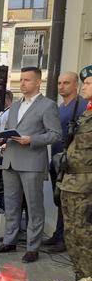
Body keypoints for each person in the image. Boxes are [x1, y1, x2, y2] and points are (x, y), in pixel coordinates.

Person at [0, 67, 61, 263]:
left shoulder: (48, 105)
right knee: (11, 204)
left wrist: (32, 139)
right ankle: (9, 240)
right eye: (21, 79)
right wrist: (1, 139)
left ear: (38, 82)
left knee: (34, 206)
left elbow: (56, 134)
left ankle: (32, 247)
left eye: (27, 80)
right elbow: (11, 130)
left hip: (32, 162)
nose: (22, 83)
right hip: (11, 159)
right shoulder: (15, 105)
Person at [44, 72, 88, 252]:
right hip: (57, 159)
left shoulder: (83, 106)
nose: (61, 86)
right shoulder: (60, 107)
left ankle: (65, 239)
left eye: (66, 83)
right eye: (59, 83)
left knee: (70, 202)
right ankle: (58, 234)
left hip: (73, 164)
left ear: (75, 85)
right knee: (59, 200)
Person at [59, 65, 92, 281]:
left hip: (86, 185)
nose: (84, 86)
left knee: (85, 235)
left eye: (89, 83)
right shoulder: (86, 113)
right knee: (72, 235)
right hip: (70, 183)